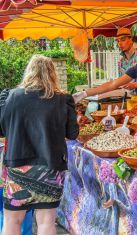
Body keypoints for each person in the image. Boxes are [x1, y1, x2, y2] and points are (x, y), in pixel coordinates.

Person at [0, 55, 79, 235]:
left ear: (29, 72)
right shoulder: (63, 99)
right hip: (51, 169)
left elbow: (1, 131)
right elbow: (72, 134)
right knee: (46, 222)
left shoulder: (9, 97)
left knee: (12, 220)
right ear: (52, 74)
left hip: (17, 170)